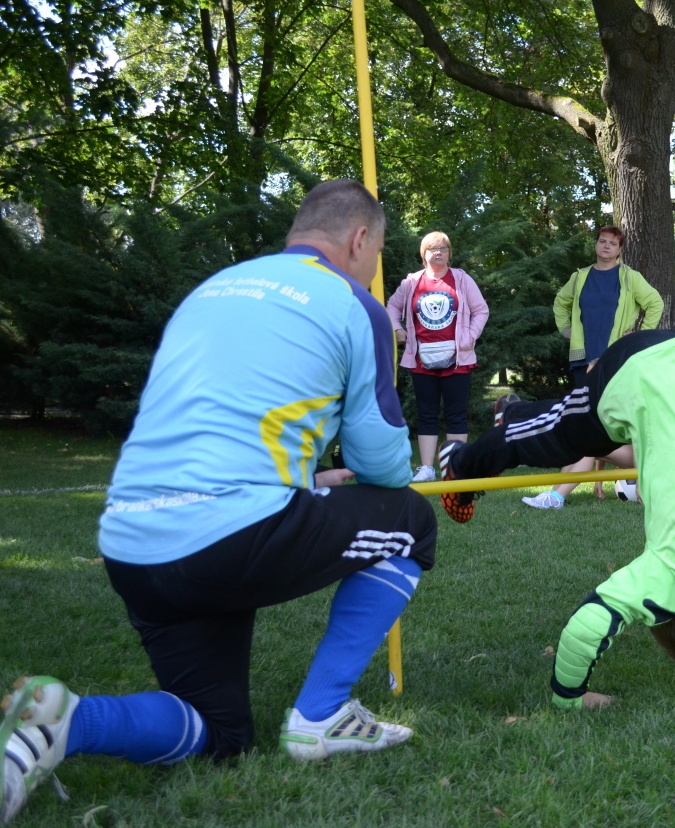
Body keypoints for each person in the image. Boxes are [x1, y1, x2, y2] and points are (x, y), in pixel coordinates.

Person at [1, 181, 437, 824]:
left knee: (220, 735)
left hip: (130, 544)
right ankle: (323, 716)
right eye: (377, 253)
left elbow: (210, 418)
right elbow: (380, 461)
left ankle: (68, 720)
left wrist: (302, 478)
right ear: (359, 239)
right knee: (409, 522)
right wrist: (383, 472)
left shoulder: (212, 289)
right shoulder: (354, 303)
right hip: (230, 534)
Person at [438, 330, 675, 708]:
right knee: (563, 436)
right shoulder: (667, 576)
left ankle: (514, 414)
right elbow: (587, 626)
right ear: (660, 612)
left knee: (596, 435)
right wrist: (570, 697)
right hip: (639, 366)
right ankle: (460, 461)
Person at [523, 225, 662, 510]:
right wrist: (566, 330)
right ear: (596, 245)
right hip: (582, 359)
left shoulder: (629, 277)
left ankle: (558, 495)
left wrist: (637, 335)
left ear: (620, 249)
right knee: (580, 425)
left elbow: (655, 303)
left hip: (611, 360)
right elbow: (560, 303)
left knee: (591, 428)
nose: (606, 246)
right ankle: (555, 493)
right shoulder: (580, 277)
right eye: (602, 241)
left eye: (612, 243)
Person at [387, 231, 489, 483]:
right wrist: (398, 329)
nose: (439, 252)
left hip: (458, 359)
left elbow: (481, 310)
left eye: (443, 248)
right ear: (424, 253)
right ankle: (427, 468)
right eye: (433, 248)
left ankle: (455, 467)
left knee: (456, 413)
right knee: (426, 414)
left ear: (449, 253)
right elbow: (392, 306)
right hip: (421, 358)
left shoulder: (462, 279)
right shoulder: (411, 282)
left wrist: (469, 337)